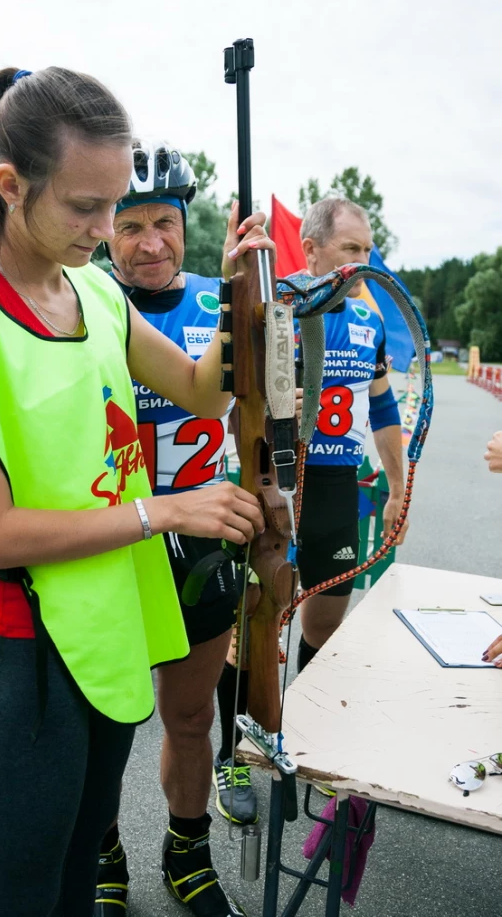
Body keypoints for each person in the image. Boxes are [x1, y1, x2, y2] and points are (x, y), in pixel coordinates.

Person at [0, 68, 266, 917]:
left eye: (119, 203)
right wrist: (163, 511)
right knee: (22, 891)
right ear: (12, 186)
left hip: (112, 624)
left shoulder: (92, 289)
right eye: (85, 208)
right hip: (30, 650)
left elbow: (204, 390)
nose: (108, 231)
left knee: (76, 876)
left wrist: (240, 289)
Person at [93, 140, 257, 917]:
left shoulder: (214, 297)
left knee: (190, 716)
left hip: (199, 542)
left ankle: (185, 847)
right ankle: (102, 848)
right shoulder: (80, 303)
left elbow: (243, 407)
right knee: (99, 724)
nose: (151, 242)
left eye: (165, 222)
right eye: (131, 226)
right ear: (103, 229)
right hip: (109, 538)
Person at [215, 195, 408, 804]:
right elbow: (223, 392)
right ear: (316, 248)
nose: (363, 262)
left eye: (369, 251)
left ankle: (299, 735)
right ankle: (233, 753)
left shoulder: (369, 317)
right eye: (351, 249)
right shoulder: (278, 302)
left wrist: (399, 483)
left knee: (325, 626)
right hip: (270, 479)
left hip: (337, 484)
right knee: (251, 625)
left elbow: (380, 404)